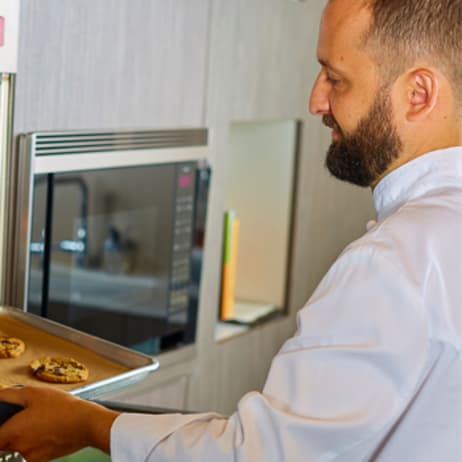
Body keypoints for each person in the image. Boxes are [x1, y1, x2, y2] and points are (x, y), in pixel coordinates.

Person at [1, 0, 462, 460]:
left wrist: (90, 424)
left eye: (335, 78)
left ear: (418, 93)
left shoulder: (393, 263)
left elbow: (262, 455)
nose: (315, 100)